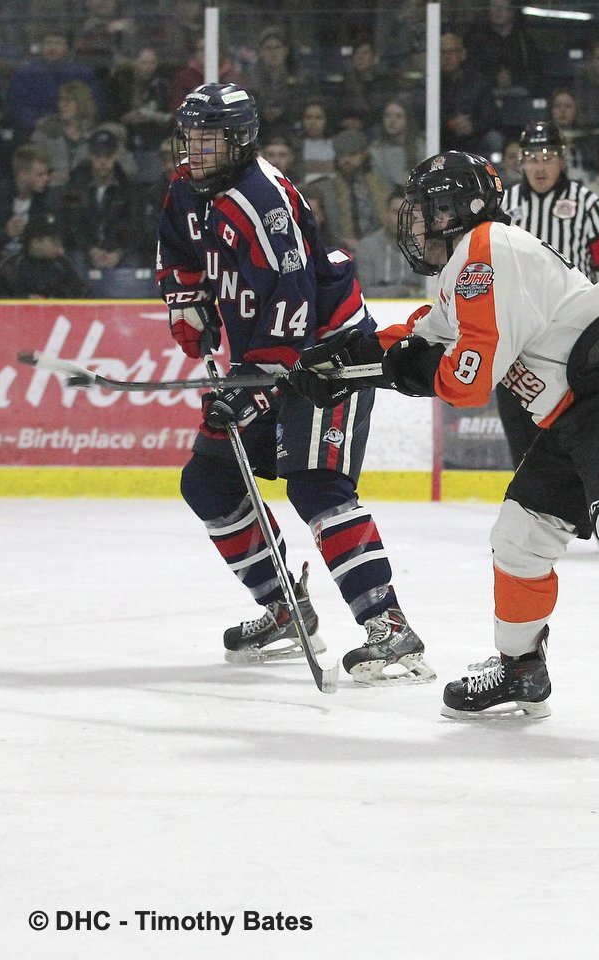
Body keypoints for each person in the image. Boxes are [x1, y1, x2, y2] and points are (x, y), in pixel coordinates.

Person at [286, 150, 599, 753]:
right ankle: (520, 669)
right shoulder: (473, 261)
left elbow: (466, 379)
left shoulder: (484, 251)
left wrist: (385, 369)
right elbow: (424, 335)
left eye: (425, 210)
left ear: (456, 209)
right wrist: (346, 359)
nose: (415, 223)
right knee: (520, 535)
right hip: (580, 406)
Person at [156, 82, 433, 686]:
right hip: (264, 355)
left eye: (211, 140)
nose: (197, 151)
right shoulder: (186, 185)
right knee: (208, 480)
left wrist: (252, 387)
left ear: (242, 140)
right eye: (192, 138)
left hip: (323, 358)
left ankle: (390, 629)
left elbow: (294, 306)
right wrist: (186, 301)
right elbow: (178, 247)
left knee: (317, 486)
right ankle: (285, 610)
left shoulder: (263, 201)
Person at [498, 120, 599, 467]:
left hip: (572, 342)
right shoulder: (502, 207)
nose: (540, 166)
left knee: (573, 442)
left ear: (563, 159)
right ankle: (529, 513)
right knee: (524, 449)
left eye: (548, 156)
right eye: (532, 157)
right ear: (520, 161)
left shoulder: (587, 204)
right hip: (516, 345)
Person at [62, 128, 150, 271]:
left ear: (115, 156)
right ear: (90, 156)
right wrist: (90, 249)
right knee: (74, 263)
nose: (103, 161)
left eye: (107, 156)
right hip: (84, 251)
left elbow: (135, 225)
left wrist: (118, 252)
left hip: (119, 252)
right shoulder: (75, 188)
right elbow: (72, 224)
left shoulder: (129, 188)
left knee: (133, 264)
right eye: (98, 156)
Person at [0, 213, 91, 299]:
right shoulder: (12, 266)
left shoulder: (62, 264)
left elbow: (82, 293)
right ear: (35, 243)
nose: (58, 245)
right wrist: (25, 299)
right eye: (52, 240)